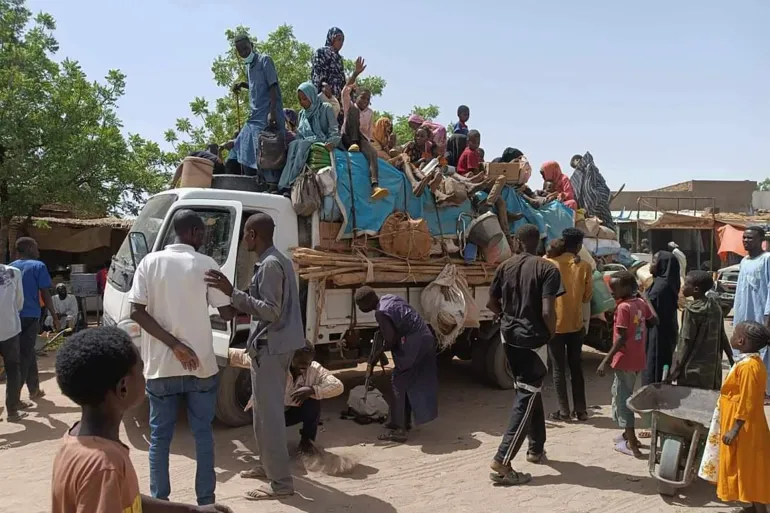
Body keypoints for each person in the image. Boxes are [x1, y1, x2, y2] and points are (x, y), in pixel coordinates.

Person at [51, 327, 234, 513]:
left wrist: (192, 510)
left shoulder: (77, 439)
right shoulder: (105, 466)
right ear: (124, 387)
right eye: (141, 369)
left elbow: (127, 499)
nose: (144, 376)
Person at [128, 210, 235, 506]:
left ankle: (161, 503)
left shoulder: (149, 262)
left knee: (160, 440)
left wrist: (174, 346)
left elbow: (136, 311)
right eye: (202, 233)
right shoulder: (205, 264)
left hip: (161, 370)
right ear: (193, 232)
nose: (203, 238)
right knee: (203, 437)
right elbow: (227, 312)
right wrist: (232, 291)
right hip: (201, 368)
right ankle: (206, 503)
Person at [205, 213, 306, 501]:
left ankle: (281, 484)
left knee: (269, 418)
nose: (243, 240)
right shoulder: (273, 261)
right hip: (272, 347)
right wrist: (233, 303)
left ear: (252, 235)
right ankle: (268, 467)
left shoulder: (272, 264)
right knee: (262, 414)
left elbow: (271, 311)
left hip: (272, 349)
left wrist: (232, 292)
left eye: (245, 235)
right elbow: (261, 302)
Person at [488, 224, 564, 485]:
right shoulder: (548, 269)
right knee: (526, 395)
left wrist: (505, 317)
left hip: (508, 337)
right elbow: (547, 311)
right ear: (538, 242)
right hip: (533, 340)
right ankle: (502, 461)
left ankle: (536, 448)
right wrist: (551, 332)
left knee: (529, 390)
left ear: (517, 242)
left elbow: (491, 303)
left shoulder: (504, 266)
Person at [698, 321, 770, 512]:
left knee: (750, 470)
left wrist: (735, 429)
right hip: (741, 423)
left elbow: (748, 400)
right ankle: (751, 507)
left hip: (744, 427)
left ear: (741, 340)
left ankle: (760, 509)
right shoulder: (749, 362)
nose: (731, 335)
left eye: (734, 332)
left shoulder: (748, 368)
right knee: (742, 468)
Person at [354, 286, 438, 443]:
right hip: (425, 336)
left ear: (367, 302)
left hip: (415, 342)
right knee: (407, 381)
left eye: (359, 305)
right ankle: (402, 422)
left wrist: (377, 356)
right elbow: (399, 325)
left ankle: (399, 429)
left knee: (397, 382)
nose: (359, 308)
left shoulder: (380, 312)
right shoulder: (389, 298)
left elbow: (391, 340)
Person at [230, 343, 344, 454]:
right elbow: (240, 356)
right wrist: (215, 353)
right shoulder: (273, 363)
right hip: (268, 414)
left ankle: (306, 443)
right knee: (273, 451)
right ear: (290, 358)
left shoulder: (314, 369)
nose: (305, 367)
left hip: (289, 412)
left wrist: (312, 390)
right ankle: (270, 450)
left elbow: (338, 386)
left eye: (308, 363)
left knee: (313, 403)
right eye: (301, 362)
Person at [597, 271, 657, 457]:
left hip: (624, 360)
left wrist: (605, 361)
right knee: (622, 395)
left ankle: (632, 445)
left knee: (624, 402)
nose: (612, 291)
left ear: (627, 288)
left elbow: (621, 337)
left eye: (614, 288)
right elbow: (654, 320)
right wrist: (646, 299)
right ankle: (627, 436)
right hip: (637, 359)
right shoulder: (639, 303)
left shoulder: (623, 307)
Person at [546, 228, 593, 421]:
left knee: (558, 369)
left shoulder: (548, 264)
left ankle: (563, 411)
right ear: (580, 246)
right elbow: (586, 297)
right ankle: (581, 410)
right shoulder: (584, 266)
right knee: (576, 367)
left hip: (554, 325)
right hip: (576, 325)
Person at [225, 34, 285, 181]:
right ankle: (248, 179)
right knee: (241, 145)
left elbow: (272, 86)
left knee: (265, 147)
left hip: (268, 113)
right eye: (240, 51)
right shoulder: (248, 67)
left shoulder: (265, 60)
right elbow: (255, 86)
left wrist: (272, 113)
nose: (244, 53)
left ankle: (268, 181)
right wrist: (243, 85)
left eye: (245, 48)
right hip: (254, 115)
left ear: (251, 45)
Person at [11, 237, 58, 402]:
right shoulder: (39, 266)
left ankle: (35, 390)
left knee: (28, 351)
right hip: (30, 315)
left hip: (13, 317)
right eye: (36, 247)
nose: (38, 251)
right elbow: (45, 293)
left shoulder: (10, 268)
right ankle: (14, 398)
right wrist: (54, 315)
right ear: (30, 248)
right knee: (25, 355)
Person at [669, 271, 734, 389]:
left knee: (691, 403)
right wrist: (731, 360)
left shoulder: (692, 310)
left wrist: (676, 369)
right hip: (712, 371)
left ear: (696, 289)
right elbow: (722, 335)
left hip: (692, 371)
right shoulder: (715, 307)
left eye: (686, 284)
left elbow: (686, 342)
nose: (683, 286)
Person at [277, 82, 340, 194]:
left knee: (301, 145)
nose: (302, 102)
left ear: (312, 96)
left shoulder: (326, 108)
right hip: (305, 140)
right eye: (300, 99)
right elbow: (300, 134)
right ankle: (283, 184)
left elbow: (334, 129)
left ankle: (293, 183)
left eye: (304, 99)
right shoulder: (302, 114)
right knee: (293, 144)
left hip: (322, 140)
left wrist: (332, 142)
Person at [732, 226, 770, 402]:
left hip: (761, 315)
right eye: (744, 238)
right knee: (744, 350)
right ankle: (747, 389)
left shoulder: (767, 259)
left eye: (750, 238)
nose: (746, 241)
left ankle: (764, 391)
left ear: (761, 240)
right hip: (743, 314)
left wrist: (767, 318)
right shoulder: (744, 261)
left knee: (763, 354)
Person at [340, 57, 387, 200]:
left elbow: (367, 133)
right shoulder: (351, 106)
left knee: (372, 152)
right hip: (348, 137)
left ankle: (375, 185)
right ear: (356, 97)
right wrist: (355, 74)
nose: (365, 102)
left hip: (360, 140)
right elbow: (345, 91)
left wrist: (365, 145)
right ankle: (353, 144)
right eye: (363, 98)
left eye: (368, 99)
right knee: (354, 112)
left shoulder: (370, 113)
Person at [643, 251, 681, 386]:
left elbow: (653, 315)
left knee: (654, 365)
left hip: (658, 334)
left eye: (653, 261)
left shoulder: (661, 287)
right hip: (666, 331)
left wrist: (644, 297)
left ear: (662, 265)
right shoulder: (665, 282)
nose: (650, 265)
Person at [0, 262, 26, 421]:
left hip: (10, 327)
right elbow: (19, 302)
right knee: (12, 369)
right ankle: (12, 411)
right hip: (9, 328)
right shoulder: (14, 271)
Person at [311, 27, 346, 101]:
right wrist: (322, 85)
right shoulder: (321, 52)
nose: (341, 43)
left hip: (337, 100)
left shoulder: (339, 59)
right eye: (339, 39)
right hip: (324, 96)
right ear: (332, 39)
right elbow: (317, 72)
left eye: (342, 41)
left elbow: (342, 79)